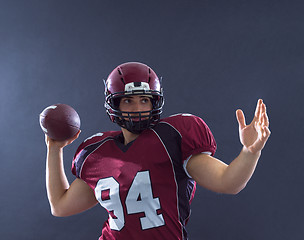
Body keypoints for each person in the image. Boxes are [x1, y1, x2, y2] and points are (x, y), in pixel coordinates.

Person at [45, 62, 271, 240]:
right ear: (114, 104)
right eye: (128, 101)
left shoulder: (173, 137)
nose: (137, 108)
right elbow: (60, 206)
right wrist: (54, 150)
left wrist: (250, 151)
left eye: (144, 100)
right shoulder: (96, 152)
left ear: (155, 103)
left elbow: (228, 182)